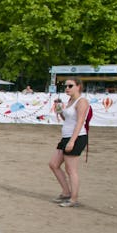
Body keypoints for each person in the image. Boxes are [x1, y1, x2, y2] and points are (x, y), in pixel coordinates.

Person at [48, 77, 89, 207]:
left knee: (71, 170)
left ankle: (73, 199)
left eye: (70, 86)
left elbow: (80, 122)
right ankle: (66, 192)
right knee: (53, 164)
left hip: (76, 137)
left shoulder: (81, 101)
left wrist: (72, 141)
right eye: (66, 86)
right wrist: (60, 111)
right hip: (66, 136)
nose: (67, 88)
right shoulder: (70, 100)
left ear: (78, 86)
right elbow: (67, 119)